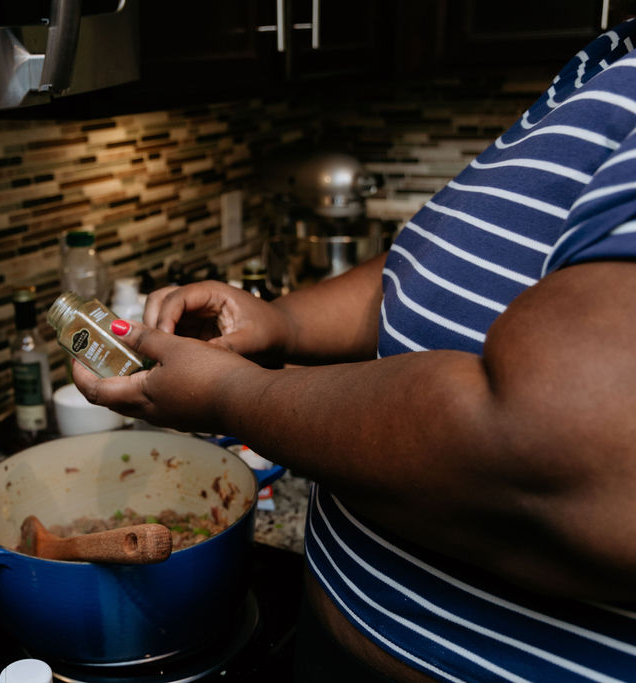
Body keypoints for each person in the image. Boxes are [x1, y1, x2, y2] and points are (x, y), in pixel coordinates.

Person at [71, 17, 636, 683]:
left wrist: (235, 394)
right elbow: (428, 270)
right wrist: (283, 320)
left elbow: (573, 453)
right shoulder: (607, 62)